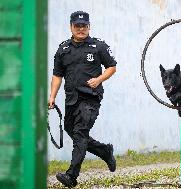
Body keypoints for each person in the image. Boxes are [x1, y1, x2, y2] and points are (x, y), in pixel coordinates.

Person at [48, 11, 117, 188]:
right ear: (71, 27)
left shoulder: (98, 46)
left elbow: (112, 67)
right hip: (72, 99)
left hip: (90, 99)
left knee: (80, 132)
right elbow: (57, 75)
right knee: (73, 131)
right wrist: (52, 96)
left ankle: (72, 176)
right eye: (77, 26)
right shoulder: (63, 49)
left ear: (88, 26)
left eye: (84, 26)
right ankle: (105, 151)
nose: (81, 29)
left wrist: (99, 79)